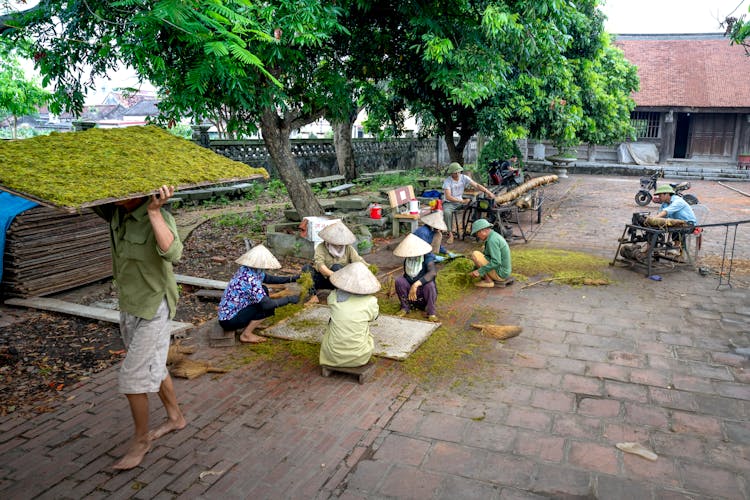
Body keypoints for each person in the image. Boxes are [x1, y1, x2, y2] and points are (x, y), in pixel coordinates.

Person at [92, 185, 186, 470]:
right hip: (130, 303)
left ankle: (141, 440)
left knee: (133, 377)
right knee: (153, 366)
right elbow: (85, 195)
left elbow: (174, 253)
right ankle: (176, 418)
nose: (119, 195)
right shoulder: (116, 211)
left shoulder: (156, 215)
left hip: (155, 306)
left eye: (126, 191)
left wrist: (155, 211)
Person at [218, 244, 300, 344]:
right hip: (229, 321)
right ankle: (246, 335)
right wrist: (289, 299)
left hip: (230, 312)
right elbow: (268, 304)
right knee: (267, 308)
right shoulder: (250, 279)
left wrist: (292, 279)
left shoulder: (247, 268)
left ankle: (252, 322)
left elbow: (268, 278)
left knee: (264, 289)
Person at [319, 262, 381, 368]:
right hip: (359, 357)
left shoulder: (334, 296)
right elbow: (374, 317)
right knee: (364, 328)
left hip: (332, 356)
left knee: (333, 322)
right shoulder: (371, 301)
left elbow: (332, 305)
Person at [303, 221, 368, 293]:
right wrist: (335, 275)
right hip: (322, 279)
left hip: (339, 283)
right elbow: (320, 265)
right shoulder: (321, 247)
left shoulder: (348, 248)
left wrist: (370, 270)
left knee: (336, 267)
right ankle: (312, 295)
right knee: (306, 268)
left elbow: (358, 260)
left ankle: (340, 293)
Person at [442, 162, 496, 244]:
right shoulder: (447, 181)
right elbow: (448, 197)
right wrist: (462, 201)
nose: (457, 174)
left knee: (475, 205)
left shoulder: (464, 177)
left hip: (460, 202)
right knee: (447, 212)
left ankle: (475, 228)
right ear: (451, 173)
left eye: (458, 172)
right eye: (455, 172)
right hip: (449, 203)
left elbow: (477, 185)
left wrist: (488, 192)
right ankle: (450, 234)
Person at [393, 233, 439, 322]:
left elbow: (432, 273)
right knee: (399, 281)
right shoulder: (408, 259)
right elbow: (406, 276)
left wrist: (416, 285)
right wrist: (411, 287)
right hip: (411, 295)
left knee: (430, 285)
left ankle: (431, 312)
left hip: (423, 292)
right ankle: (405, 307)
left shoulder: (427, 258)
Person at [469, 218, 514, 288]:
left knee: (475, 254)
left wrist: (479, 271)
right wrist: (474, 269)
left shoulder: (492, 241)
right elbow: (487, 256)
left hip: (501, 274)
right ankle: (487, 277)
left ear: (482, 231)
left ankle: (488, 281)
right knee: (481, 252)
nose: (477, 236)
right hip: (504, 271)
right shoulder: (493, 236)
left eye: (477, 234)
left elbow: (496, 262)